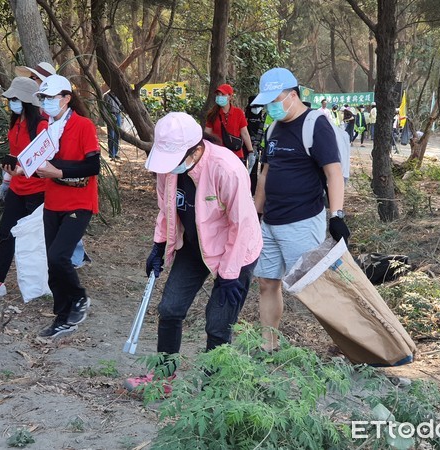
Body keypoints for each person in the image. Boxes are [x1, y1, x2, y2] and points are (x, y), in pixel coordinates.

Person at [124, 112, 262, 390]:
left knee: (217, 324)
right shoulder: (168, 169)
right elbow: (166, 209)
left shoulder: (226, 168)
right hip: (194, 247)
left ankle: (214, 390)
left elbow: (243, 224)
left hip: (235, 250)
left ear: (196, 149)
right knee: (170, 308)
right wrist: (158, 246)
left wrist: (230, 275)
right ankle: (164, 377)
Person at [250, 68, 349, 352]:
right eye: (267, 102)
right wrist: (255, 215)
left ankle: (347, 345)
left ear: (293, 96)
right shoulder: (273, 128)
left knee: (313, 287)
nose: (271, 107)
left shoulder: (315, 124)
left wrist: (337, 215)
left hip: (302, 222)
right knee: (267, 283)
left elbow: (333, 174)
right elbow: (266, 174)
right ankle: (268, 346)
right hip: (270, 222)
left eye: (275, 100)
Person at [33, 75, 100, 337]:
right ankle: (62, 314)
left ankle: (79, 298)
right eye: (43, 98)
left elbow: (92, 166)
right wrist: (18, 169)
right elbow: (37, 161)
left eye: (51, 98)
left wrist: (58, 172)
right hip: (53, 201)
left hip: (80, 201)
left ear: (66, 98)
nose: (46, 103)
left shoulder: (83, 126)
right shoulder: (44, 128)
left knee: (59, 256)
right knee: (52, 262)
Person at [0, 77, 48, 297]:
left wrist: (24, 169)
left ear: (26, 101)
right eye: (10, 98)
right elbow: (15, 154)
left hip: (38, 191)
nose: (11, 102)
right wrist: (6, 179)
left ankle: (45, 285)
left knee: (37, 240)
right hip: (16, 188)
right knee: (5, 233)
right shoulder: (15, 122)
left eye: (15, 98)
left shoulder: (41, 126)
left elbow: (44, 160)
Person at [16, 61, 90, 269]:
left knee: (64, 240)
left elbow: (87, 164)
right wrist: (24, 168)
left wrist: (58, 171)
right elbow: (39, 152)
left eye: (36, 79)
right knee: (57, 242)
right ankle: (65, 265)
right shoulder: (45, 119)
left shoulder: (78, 124)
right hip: (51, 188)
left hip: (71, 192)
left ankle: (73, 263)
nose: (34, 82)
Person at [204, 84, 254, 163]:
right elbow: (207, 134)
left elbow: (244, 133)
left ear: (230, 97)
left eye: (223, 95)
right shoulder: (212, 114)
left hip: (236, 154)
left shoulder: (239, 113)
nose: (220, 97)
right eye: (218, 94)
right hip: (218, 156)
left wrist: (251, 152)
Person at [244, 96, 265, 195]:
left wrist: (256, 144)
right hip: (245, 144)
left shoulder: (263, 115)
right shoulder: (246, 114)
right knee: (243, 167)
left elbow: (262, 130)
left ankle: (252, 191)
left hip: (256, 145)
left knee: (254, 168)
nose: (256, 109)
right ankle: (245, 188)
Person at [104, 90, 122, 160]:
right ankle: (112, 154)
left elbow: (121, 105)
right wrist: (108, 116)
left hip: (118, 115)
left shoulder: (119, 95)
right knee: (111, 135)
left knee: (117, 134)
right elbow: (104, 107)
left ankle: (116, 153)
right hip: (110, 115)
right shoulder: (106, 95)